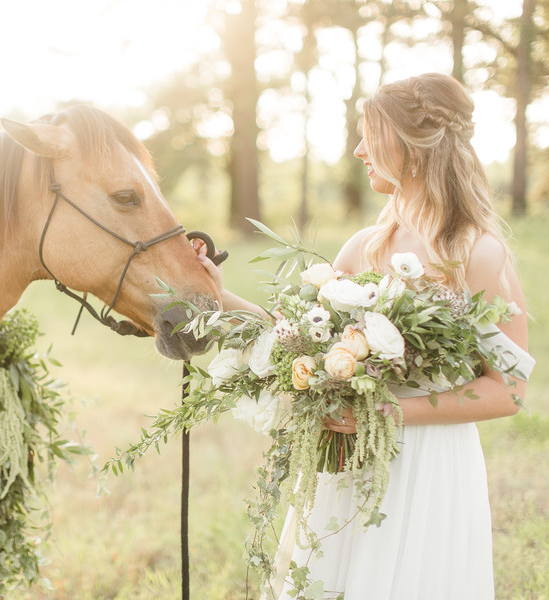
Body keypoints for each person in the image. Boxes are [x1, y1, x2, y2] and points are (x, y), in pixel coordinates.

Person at [194, 73, 534, 599]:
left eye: (370, 135)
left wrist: (383, 413)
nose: (357, 150)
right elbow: (296, 336)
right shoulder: (366, 247)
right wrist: (219, 297)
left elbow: (509, 390)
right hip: (349, 465)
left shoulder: (478, 254)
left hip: (430, 468)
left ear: (413, 146)